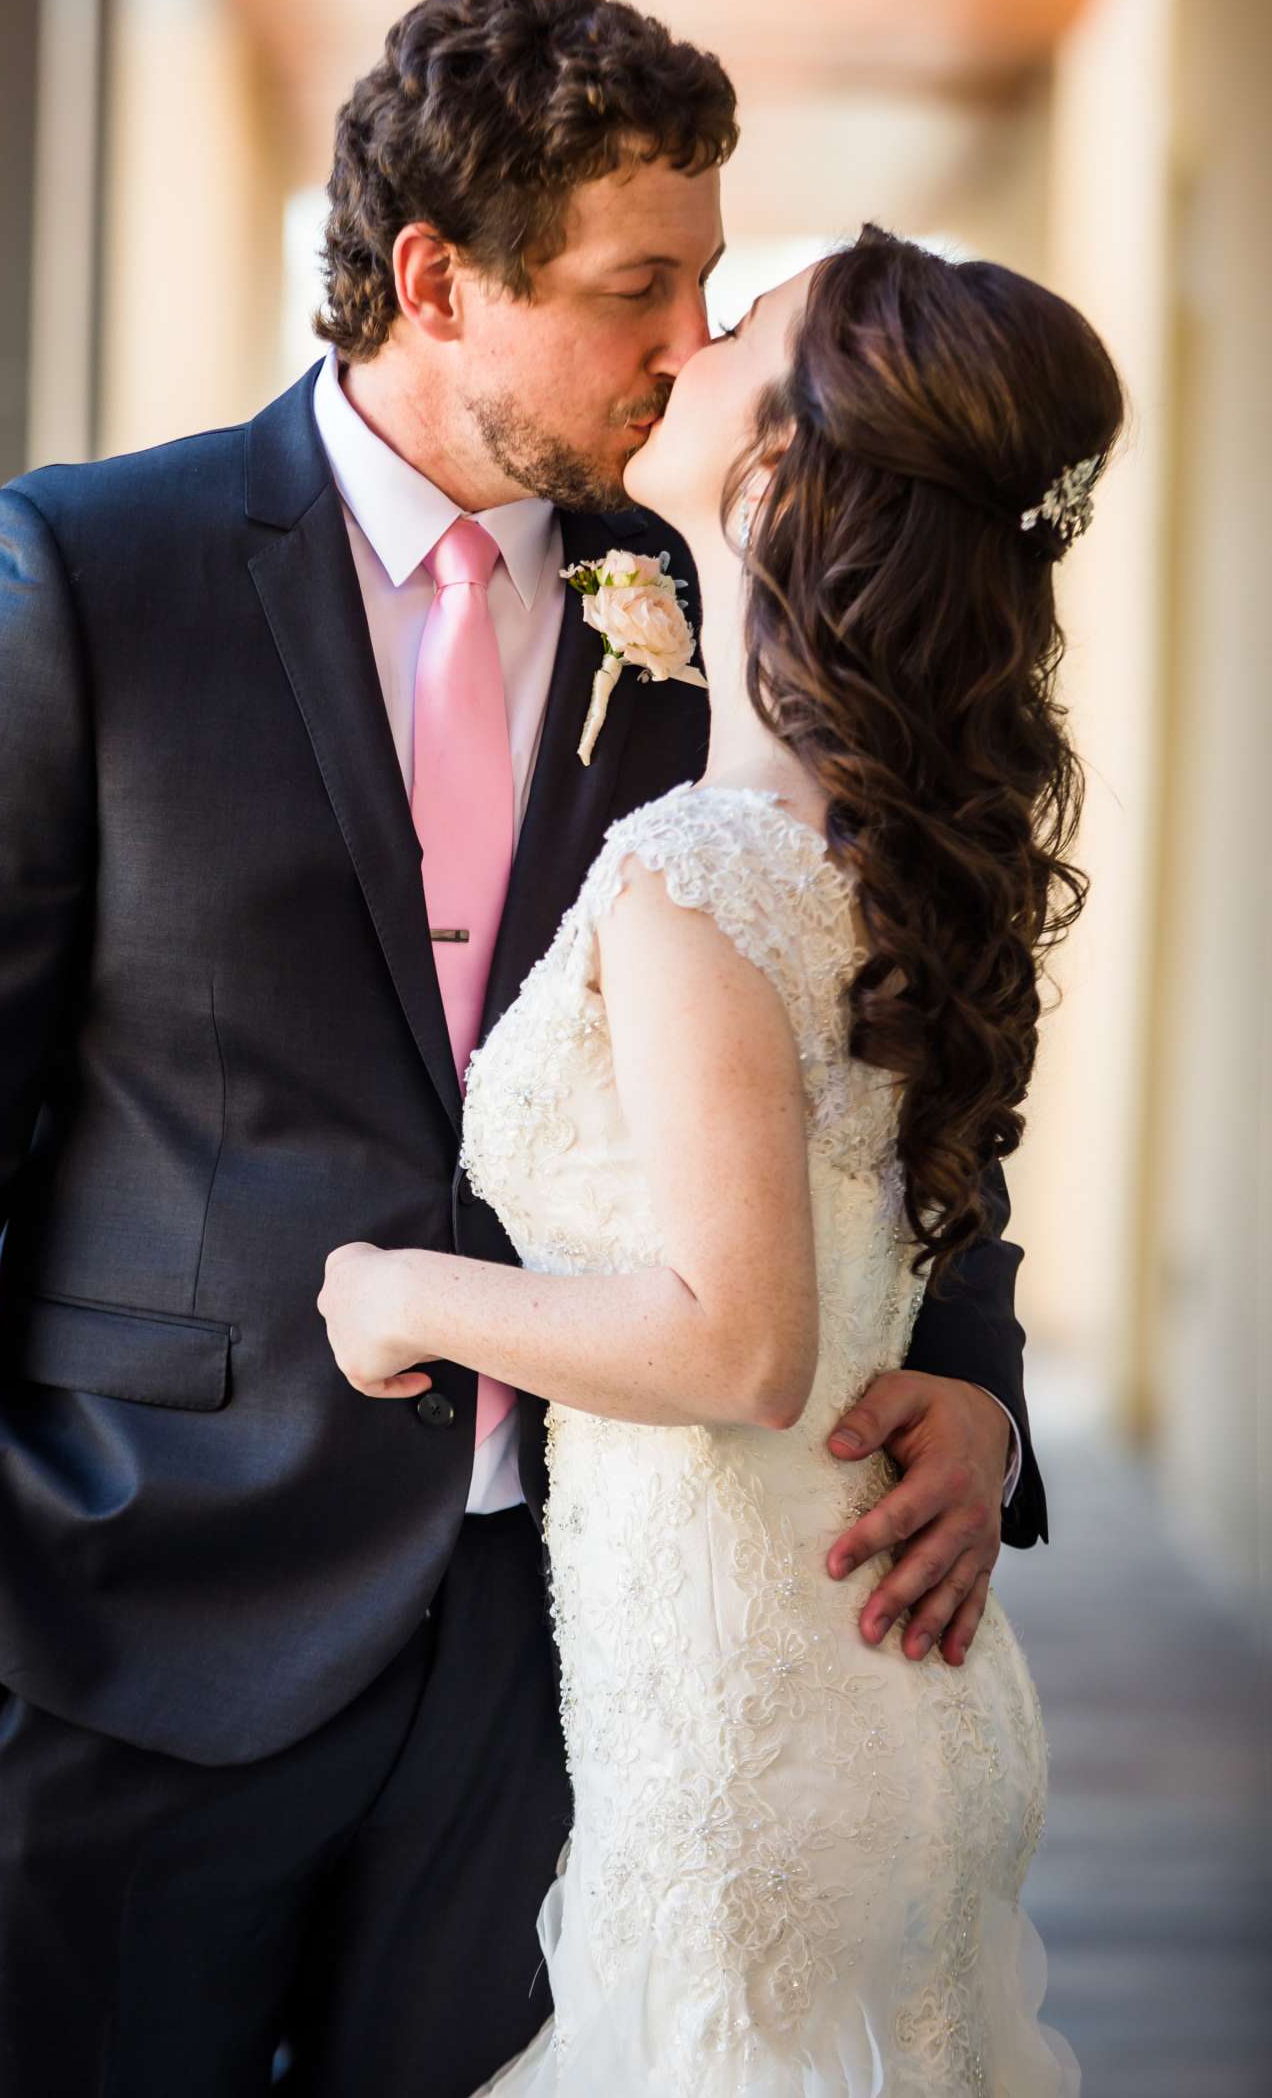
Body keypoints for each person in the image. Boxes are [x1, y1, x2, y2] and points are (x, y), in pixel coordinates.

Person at [0, 0, 1042, 2098]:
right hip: (118, 1629)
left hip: (544, 1658)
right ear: (431, 279)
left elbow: (880, 1005)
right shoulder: (93, 575)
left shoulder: (709, 600)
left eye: (705, 286)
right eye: (634, 286)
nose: (682, 341)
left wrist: (973, 1376)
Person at [319, 222, 1122, 2092]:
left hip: (748, 1725)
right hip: (871, 1686)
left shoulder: (703, 867)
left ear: (778, 469)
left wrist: (402, 1290)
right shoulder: (878, 843)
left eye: (744, 319)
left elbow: (743, 1346)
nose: (695, 329)